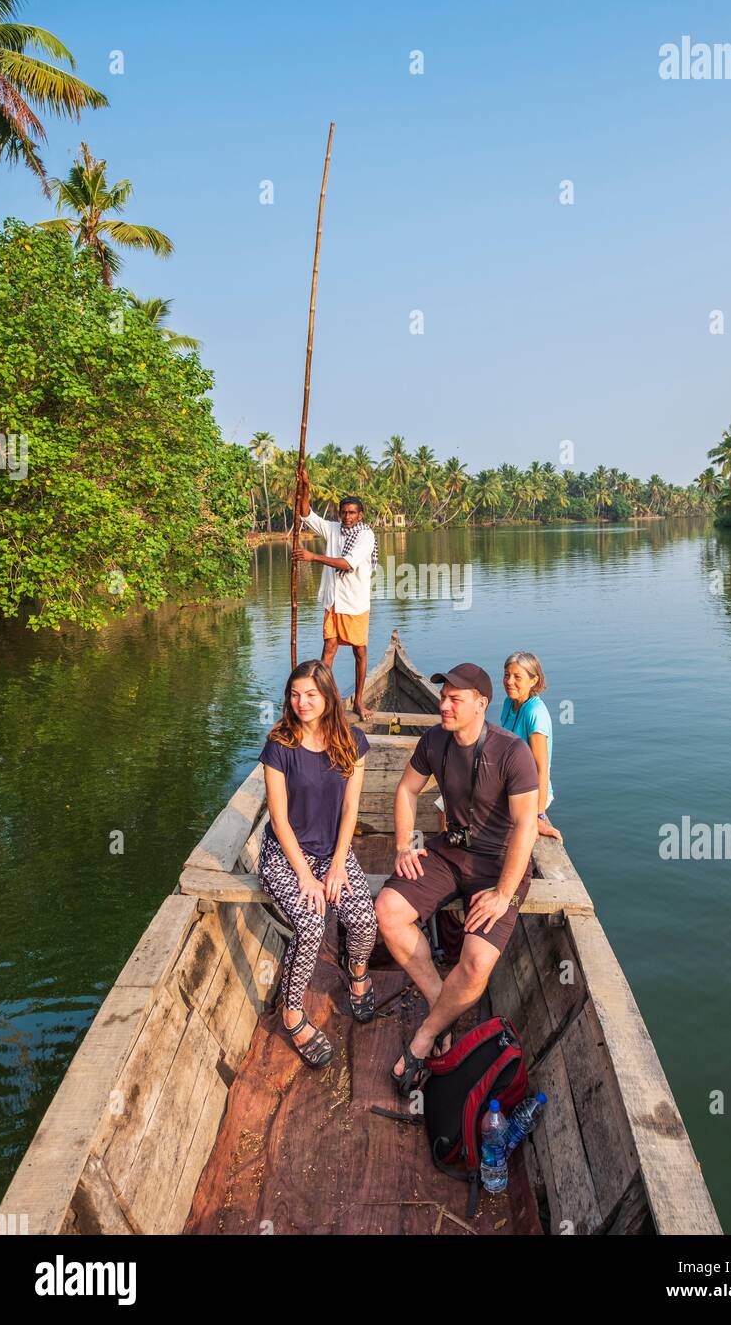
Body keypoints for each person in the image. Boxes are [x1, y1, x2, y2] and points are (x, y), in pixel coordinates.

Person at [375, 662, 539, 1095]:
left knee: (477, 962)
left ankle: (425, 1035)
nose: (443, 705)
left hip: (501, 864)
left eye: (454, 699)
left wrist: (504, 893)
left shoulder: (512, 752)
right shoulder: (434, 740)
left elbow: (525, 825)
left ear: (481, 705)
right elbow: (407, 790)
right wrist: (404, 845)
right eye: (443, 697)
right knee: (388, 911)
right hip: (451, 851)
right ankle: (439, 1004)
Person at [258, 658, 378, 1068]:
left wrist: (339, 864)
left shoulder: (352, 742)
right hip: (285, 854)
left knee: (363, 918)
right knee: (311, 923)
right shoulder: (280, 745)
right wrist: (307, 876)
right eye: (294, 694)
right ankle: (292, 1012)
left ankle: (357, 973)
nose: (302, 702)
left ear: (328, 696)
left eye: (310, 694)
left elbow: (350, 810)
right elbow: (278, 819)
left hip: (333, 852)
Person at [292, 464, 378, 722]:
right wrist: (305, 485)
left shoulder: (365, 536)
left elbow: (347, 563)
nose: (347, 516)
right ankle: (323, 699)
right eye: (344, 512)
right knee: (328, 648)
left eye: (352, 513)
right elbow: (305, 513)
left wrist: (312, 556)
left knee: (359, 652)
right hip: (333, 601)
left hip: (355, 604)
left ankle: (359, 701)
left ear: (360, 515)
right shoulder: (333, 529)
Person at [500, 651, 562, 841]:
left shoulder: (535, 713)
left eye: (517, 677)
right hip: (508, 781)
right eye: (506, 675)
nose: (509, 681)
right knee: (445, 802)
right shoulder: (509, 702)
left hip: (529, 792)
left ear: (533, 680)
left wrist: (538, 815)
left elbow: (542, 769)